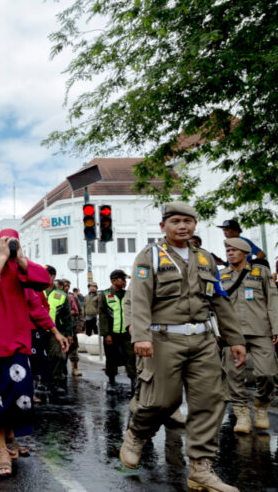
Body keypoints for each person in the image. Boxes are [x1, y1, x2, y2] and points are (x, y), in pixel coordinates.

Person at [120, 201, 246, 492]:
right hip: (163, 338)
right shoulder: (150, 256)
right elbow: (139, 299)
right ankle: (137, 433)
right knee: (163, 400)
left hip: (202, 339)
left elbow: (219, 299)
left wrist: (235, 338)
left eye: (187, 221)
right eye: (175, 221)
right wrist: (140, 335)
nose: (182, 226)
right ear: (163, 226)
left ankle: (200, 468)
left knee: (209, 402)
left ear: (194, 225)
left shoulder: (205, 258)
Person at [0, 220, 66, 476]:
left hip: (15, 345)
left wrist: (20, 259)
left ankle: (10, 434)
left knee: (20, 397)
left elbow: (41, 281)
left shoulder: (14, 267)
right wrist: (2, 260)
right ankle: (2, 451)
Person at [219, 238, 278, 434]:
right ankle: (241, 412)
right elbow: (215, 306)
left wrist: (276, 328)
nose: (230, 253)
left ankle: (261, 404)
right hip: (232, 333)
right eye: (228, 250)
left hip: (260, 329)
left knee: (268, 373)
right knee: (234, 375)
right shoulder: (221, 275)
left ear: (245, 253)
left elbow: (272, 301)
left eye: (234, 250)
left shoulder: (260, 272)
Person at [98, 270, 136, 394]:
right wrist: (106, 334)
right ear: (114, 281)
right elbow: (103, 315)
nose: (125, 282)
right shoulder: (105, 294)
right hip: (112, 333)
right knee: (111, 357)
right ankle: (111, 380)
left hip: (127, 333)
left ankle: (134, 381)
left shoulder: (128, 294)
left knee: (131, 356)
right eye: (123, 279)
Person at [44, 269, 74, 393]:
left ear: (53, 276)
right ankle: (41, 382)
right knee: (39, 357)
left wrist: (68, 334)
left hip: (56, 331)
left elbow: (67, 316)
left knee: (57, 355)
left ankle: (56, 381)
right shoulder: (37, 291)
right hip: (38, 330)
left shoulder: (61, 294)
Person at [63, 279, 83, 377]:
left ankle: (75, 368)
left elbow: (79, 310)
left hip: (72, 326)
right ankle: (62, 370)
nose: (66, 287)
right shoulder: (56, 295)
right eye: (65, 285)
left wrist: (80, 324)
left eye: (68, 285)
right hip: (60, 327)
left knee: (74, 347)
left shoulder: (72, 296)